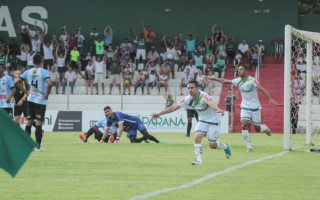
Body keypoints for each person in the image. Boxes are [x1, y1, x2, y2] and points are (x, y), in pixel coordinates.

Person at [152, 80, 231, 165]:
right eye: (188, 88)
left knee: (212, 145)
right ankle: (199, 160)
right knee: (197, 137)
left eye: (192, 88)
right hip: (202, 120)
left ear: (197, 88)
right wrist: (158, 114)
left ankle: (224, 146)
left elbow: (211, 104)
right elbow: (173, 107)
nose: (190, 90)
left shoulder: (204, 96)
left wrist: (218, 110)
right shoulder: (187, 99)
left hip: (214, 120)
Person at [207, 65, 277, 152]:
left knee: (257, 129)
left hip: (255, 107)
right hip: (244, 107)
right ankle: (249, 147)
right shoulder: (238, 81)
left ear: (246, 71)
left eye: (241, 69)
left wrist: (270, 99)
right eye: (238, 69)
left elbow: (261, 89)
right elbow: (224, 81)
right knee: (244, 125)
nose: (239, 71)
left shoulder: (252, 80)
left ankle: (264, 128)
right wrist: (214, 79)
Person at [16, 54, 52, 151]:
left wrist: (26, 92)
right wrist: (47, 95)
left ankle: (27, 145)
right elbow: (50, 83)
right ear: (42, 60)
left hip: (30, 99)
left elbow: (17, 82)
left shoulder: (28, 72)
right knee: (39, 124)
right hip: (40, 101)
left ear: (33, 62)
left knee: (29, 122)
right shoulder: (44, 72)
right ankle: (38, 147)